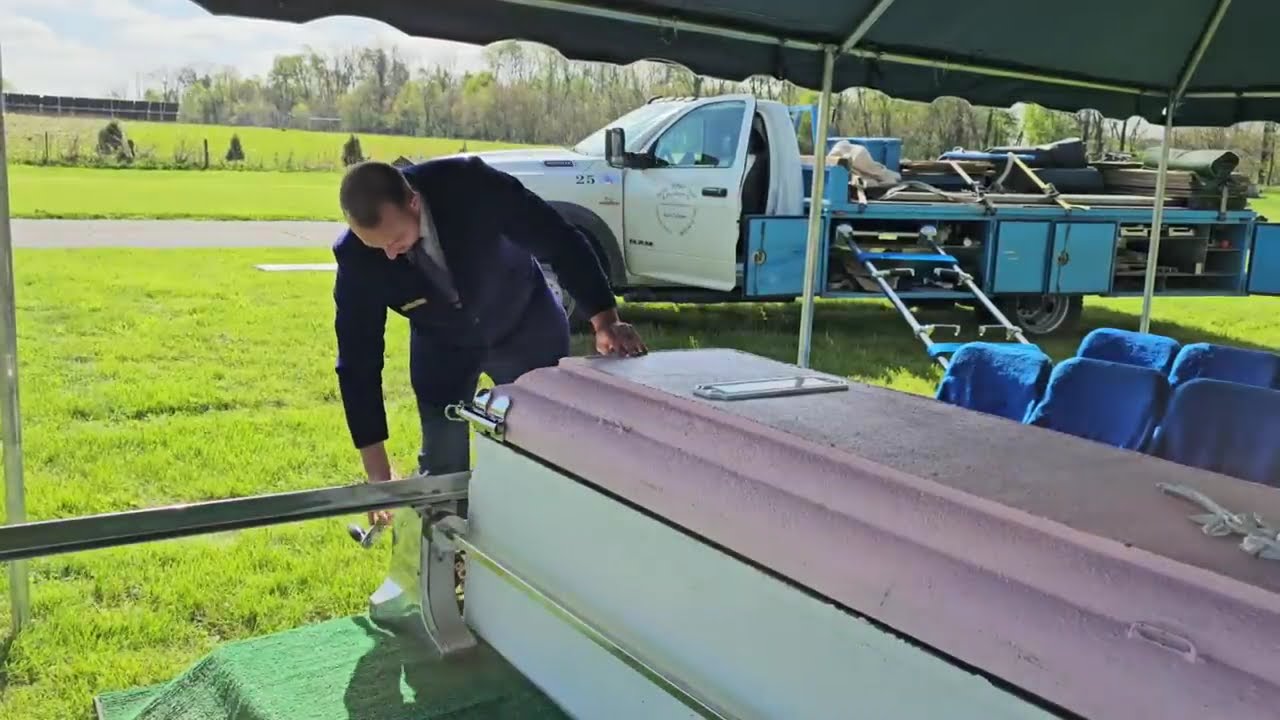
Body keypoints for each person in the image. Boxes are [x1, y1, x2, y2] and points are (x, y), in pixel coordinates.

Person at [331, 157, 646, 525]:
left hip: (524, 322)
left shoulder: (470, 185)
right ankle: (452, 559)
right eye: (376, 246)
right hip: (442, 344)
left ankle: (547, 535)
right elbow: (358, 361)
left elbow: (558, 240)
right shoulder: (356, 257)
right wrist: (378, 477)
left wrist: (605, 320)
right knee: (442, 469)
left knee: (544, 450)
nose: (389, 254)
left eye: (395, 239)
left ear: (413, 201)